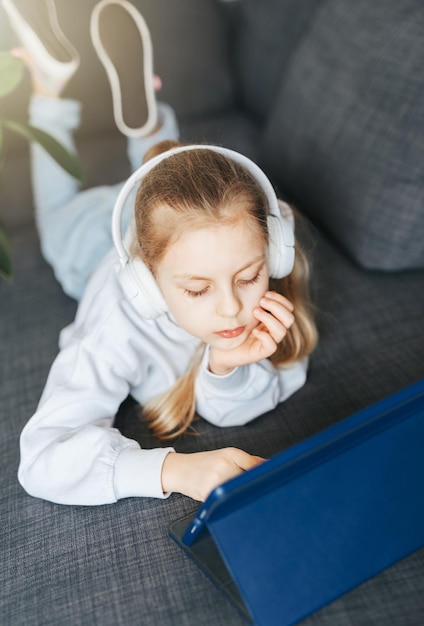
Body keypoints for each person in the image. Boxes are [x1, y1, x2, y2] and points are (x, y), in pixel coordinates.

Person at [3, 0, 318, 506]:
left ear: (274, 250)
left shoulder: (237, 255)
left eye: (249, 275)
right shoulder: (115, 326)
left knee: (171, 194)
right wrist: (171, 470)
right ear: (143, 284)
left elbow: (235, 409)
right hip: (90, 240)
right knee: (57, 218)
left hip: (168, 223)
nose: (232, 308)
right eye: (197, 289)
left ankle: (148, 131)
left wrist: (227, 365)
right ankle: (50, 88)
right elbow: (41, 459)